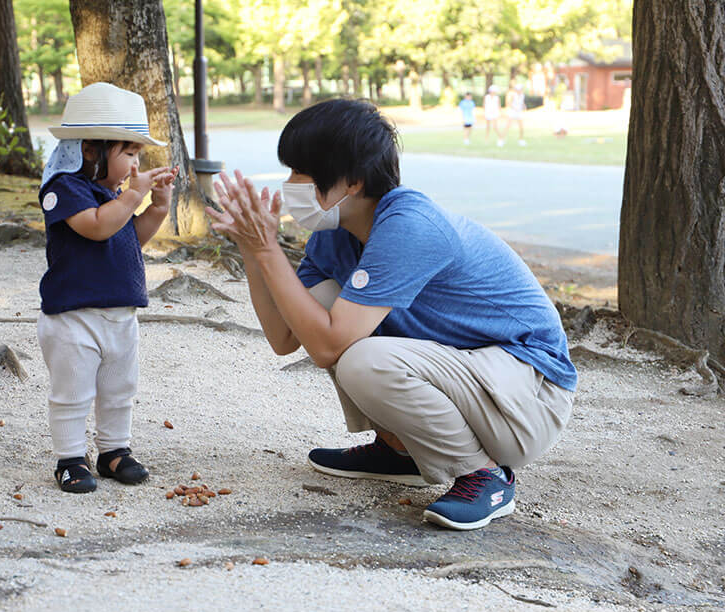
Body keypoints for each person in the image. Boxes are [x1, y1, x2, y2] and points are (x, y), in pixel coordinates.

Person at [207, 99, 576, 530]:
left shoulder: (409, 225)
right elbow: (285, 338)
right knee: (324, 308)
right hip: (476, 383)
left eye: (300, 173)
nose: (289, 184)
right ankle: (401, 451)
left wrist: (270, 249)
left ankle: (484, 474)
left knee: (360, 357)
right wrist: (254, 253)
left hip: (528, 398)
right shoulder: (335, 236)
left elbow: (326, 347)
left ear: (354, 182)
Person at [36, 82, 178, 493]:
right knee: (73, 392)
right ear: (90, 150)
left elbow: (130, 237)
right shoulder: (63, 190)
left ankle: (114, 450)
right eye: (130, 153)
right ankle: (69, 458)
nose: (136, 163)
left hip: (120, 313)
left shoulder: (112, 193)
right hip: (73, 317)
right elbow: (97, 228)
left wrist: (158, 207)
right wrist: (134, 194)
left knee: (119, 388)